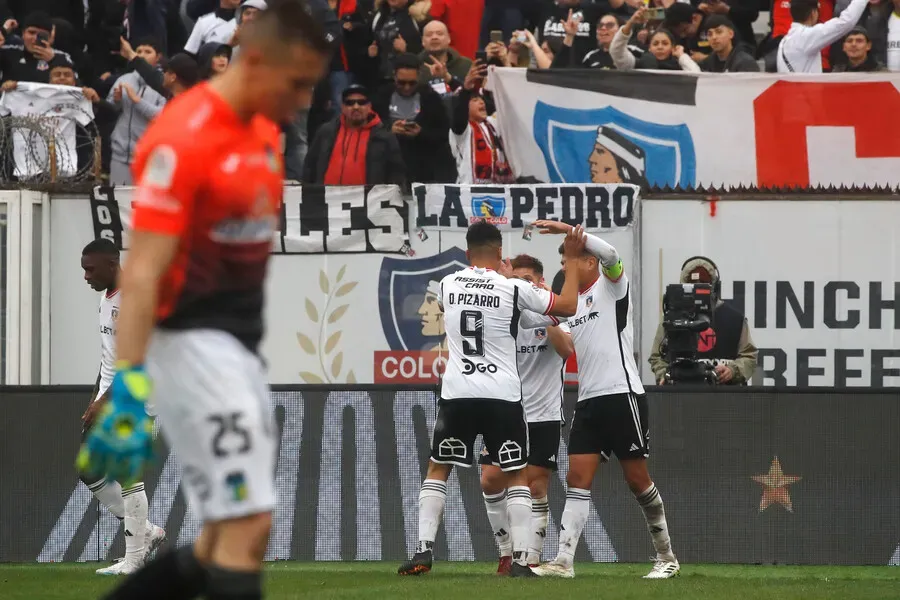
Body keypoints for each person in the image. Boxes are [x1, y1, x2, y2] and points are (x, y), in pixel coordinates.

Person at [76, 3, 330, 600]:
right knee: (246, 526)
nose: (302, 100)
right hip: (188, 347)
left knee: (227, 536)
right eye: (296, 83)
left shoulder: (266, 133)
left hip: (237, 352)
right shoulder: (183, 137)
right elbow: (142, 276)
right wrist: (132, 391)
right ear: (258, 59)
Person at [397, 221, 584, 578]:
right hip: (502, 394)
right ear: (500, 253)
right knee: (516, 475)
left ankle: (423, 551)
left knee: (439, 468)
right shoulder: (513, 288)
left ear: (467, 254)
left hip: (459, 391)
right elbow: (568, 306)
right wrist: (571, 260)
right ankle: (519, 561)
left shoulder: (448, 285)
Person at [529, 219, 680, 580]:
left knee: (637, 480)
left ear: (590, 263)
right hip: (588, 402)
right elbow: (560, 339)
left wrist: (570, 231)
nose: (566, 267)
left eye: (571, 260)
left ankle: (667, 557)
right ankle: (564, 561)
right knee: (576, 478)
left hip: (623, 395)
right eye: (563, 262)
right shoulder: (571, 306)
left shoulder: (613, 287)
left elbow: (612, 253)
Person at [479, 254, 574, 574]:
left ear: (538, 283)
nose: (519, 286)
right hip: (507, 411)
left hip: (544, 413)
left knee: (535, 487)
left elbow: (566, 350)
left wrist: (545, 314)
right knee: (490, 480)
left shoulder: (555, 310)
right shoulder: (502, 315)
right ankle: (506, 550)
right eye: (514, 280)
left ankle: (529, 558)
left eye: (526, 281)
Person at [78, 238, 166, 576]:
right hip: (111, 394)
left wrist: (103, 401)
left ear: (112, 264)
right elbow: (110, 357)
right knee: (89, 470)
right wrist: (96, 396)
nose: (86, 275)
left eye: (90, 268)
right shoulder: (107, 297)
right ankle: (147, 533)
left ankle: (134, 560)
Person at [649, 256, 758, 385]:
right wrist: (664, 374)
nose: (697, 288)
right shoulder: (671, 320)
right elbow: (657, 357)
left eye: (703, 284)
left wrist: (732, 370)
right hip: (680, 397)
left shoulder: (735, 319)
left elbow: (749, 356)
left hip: (726, 399)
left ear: (714, 286)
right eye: (692, 284)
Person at [373, 52, 456, 184]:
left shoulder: (430, 98)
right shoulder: (382, 95)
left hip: (422, 165)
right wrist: (389, 131)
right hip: (387, 165)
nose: (407, 87)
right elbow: (370, 131)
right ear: (394, 76)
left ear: (419, 76)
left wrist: (421, 133)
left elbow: (444, 134)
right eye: (402, 82)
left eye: (412, 83)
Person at [302, 84, 406, 185]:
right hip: (327, 200)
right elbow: (309, 166)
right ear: (342, 107)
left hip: (368, 201)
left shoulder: (384, 136)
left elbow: (396, 174)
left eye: (362, 102)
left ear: (369, 106)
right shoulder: (326, 132)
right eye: (350, 103)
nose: (356, 107)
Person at [107, 38, 168, 186]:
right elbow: (110, 108)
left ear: (158, 56)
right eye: (139, 51)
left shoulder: (164, 83)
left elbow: (163, 115)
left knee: (144, 204)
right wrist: (116, 100)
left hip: (150, 158)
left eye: (148, 52)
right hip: (120, 155)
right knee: (117, 204)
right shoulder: (124, 79)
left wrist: (137, 101)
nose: (142, 55)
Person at [777, 0, 867, 73]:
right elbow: (845, 22)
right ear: (813, 13)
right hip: (805, 94)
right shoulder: (806, 37)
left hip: (792, 93)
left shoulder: (785, 40)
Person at [612, 8, 701, 72]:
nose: (660, 47)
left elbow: (696, 76)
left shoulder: (680, 66)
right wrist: (630, 22)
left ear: (672, 48)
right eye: (655, 44)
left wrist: (681, 55)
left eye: (665, 43)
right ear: (649, 48)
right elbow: (616, 51)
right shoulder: (638, 63)